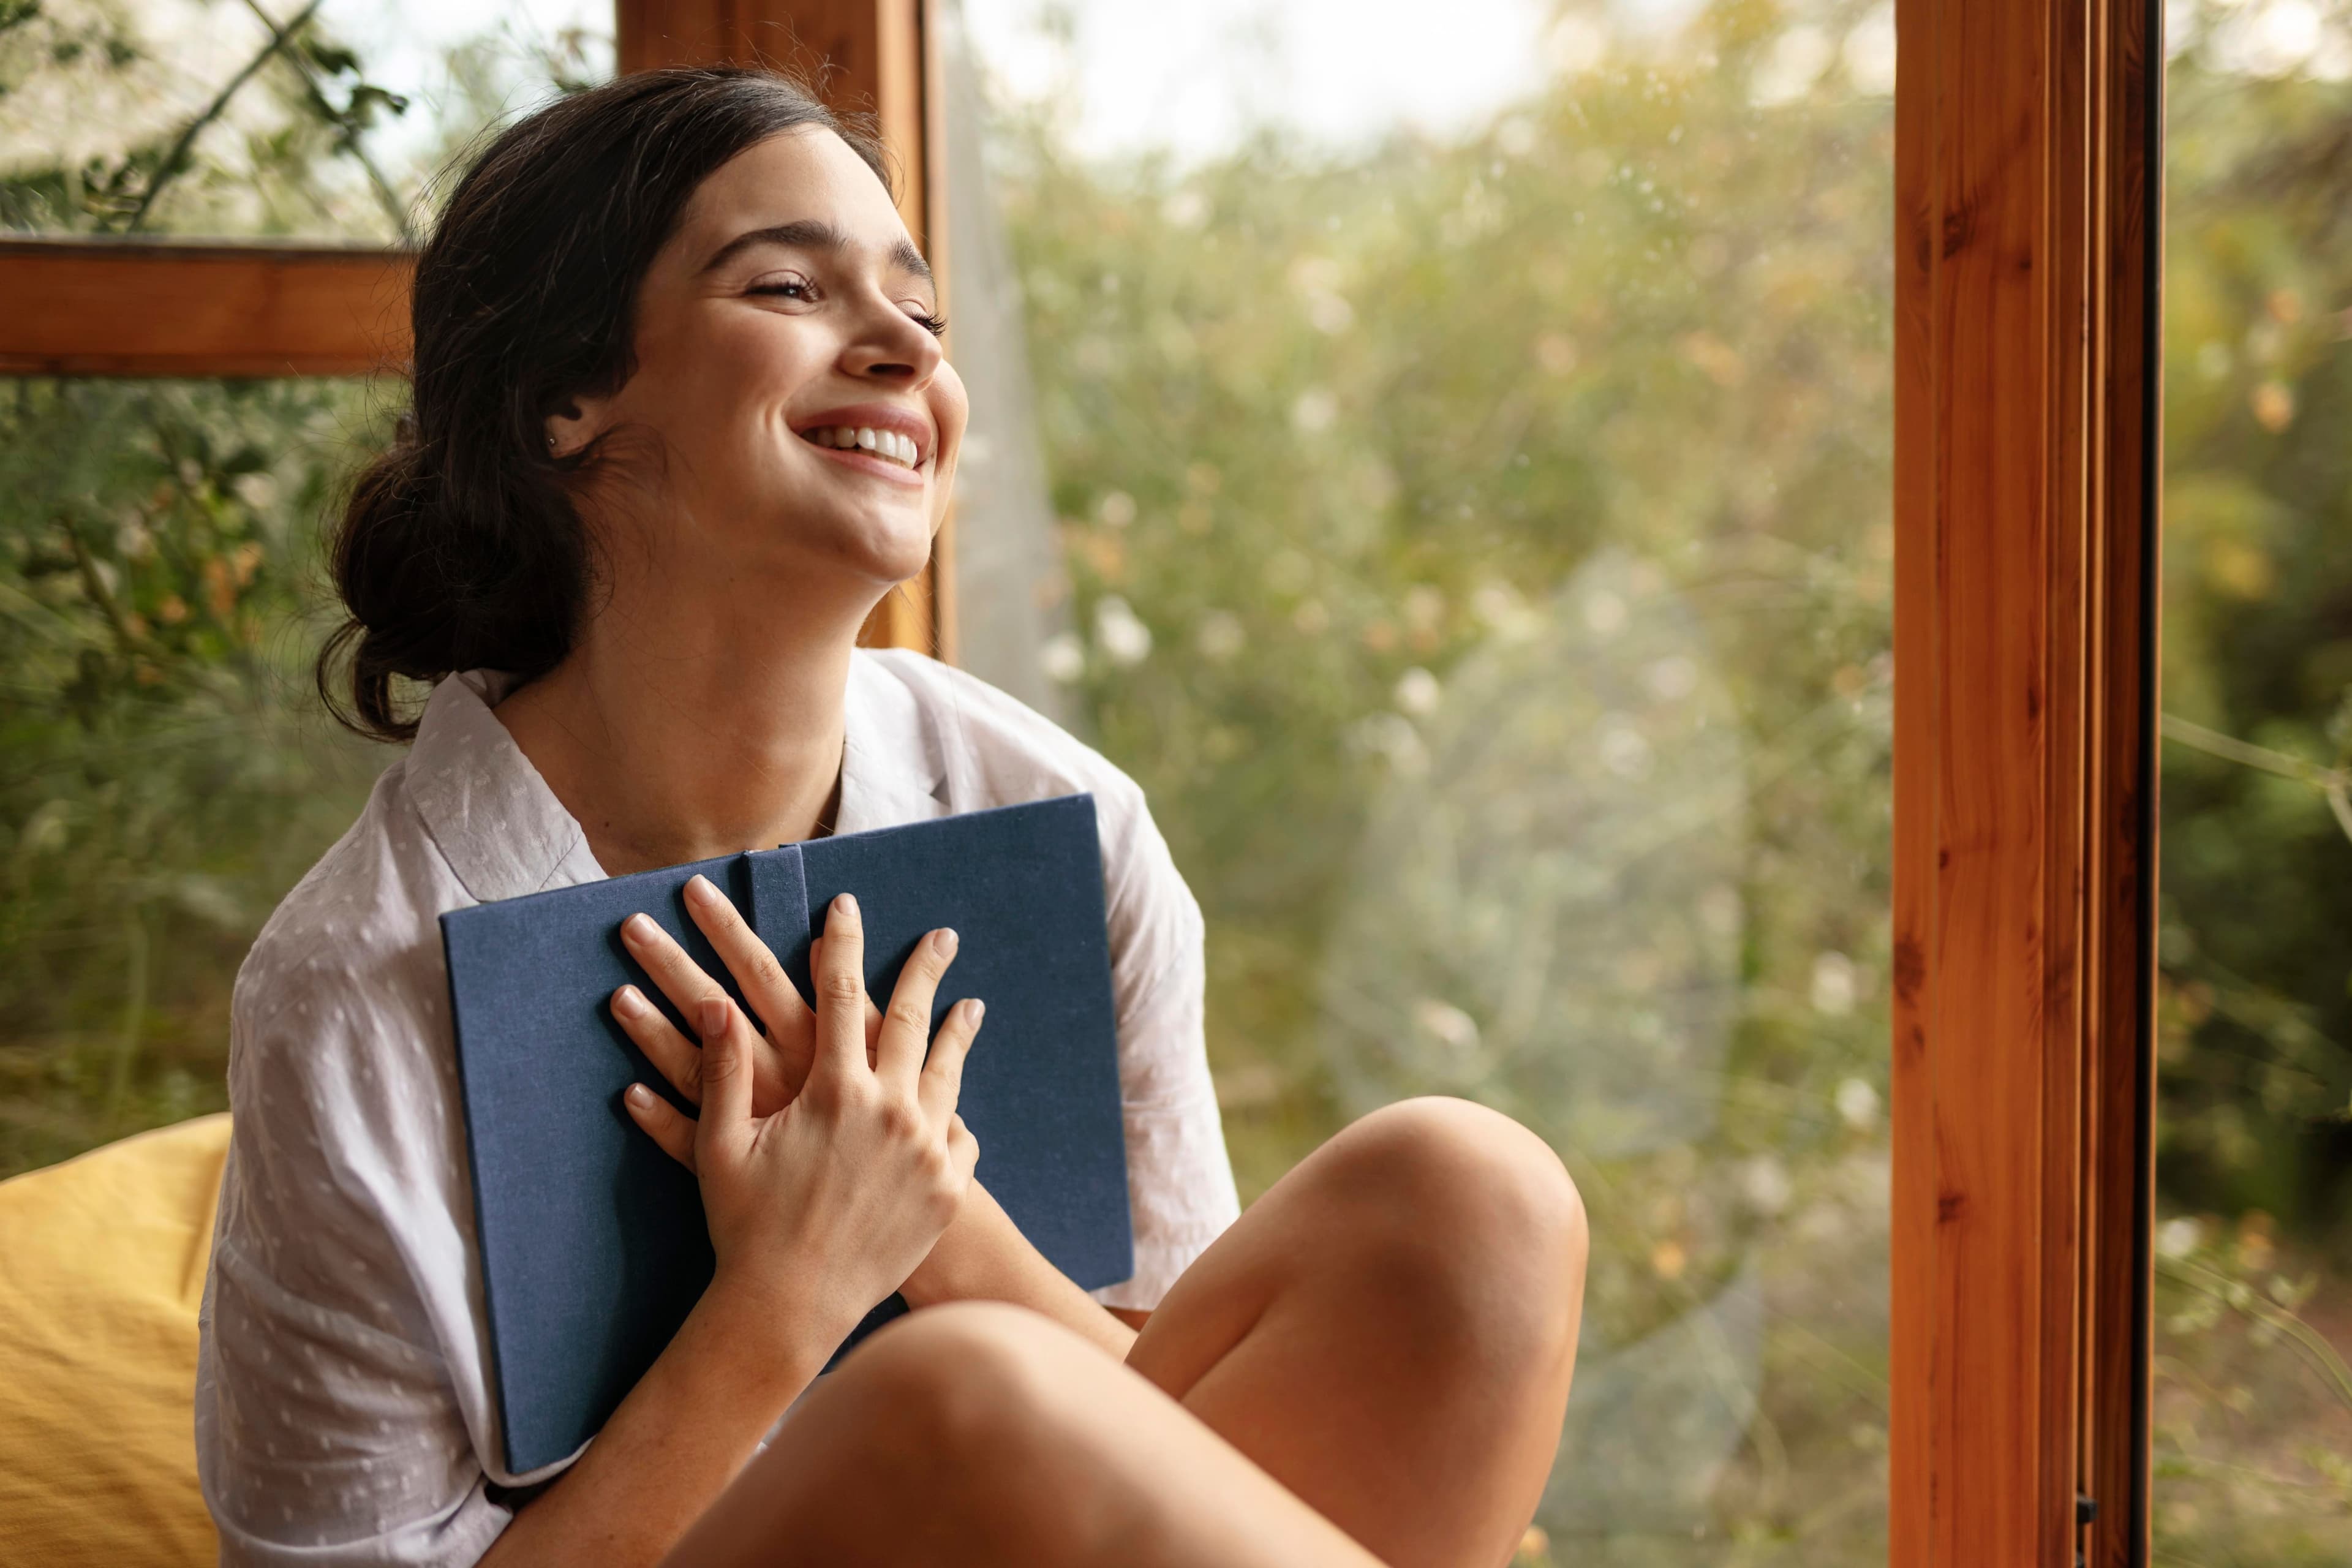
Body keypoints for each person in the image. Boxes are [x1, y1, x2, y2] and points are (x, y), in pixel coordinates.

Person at [194, 66, 1588, 1568]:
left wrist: (932, 1221)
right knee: (964, 1394)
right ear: (565, 400)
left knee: (1475, 1194)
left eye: (920, 309)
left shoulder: (1063, 820)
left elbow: (1187, 1454)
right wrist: (785, 1294)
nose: (907, 348)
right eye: (790, 286)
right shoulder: (356, 985)